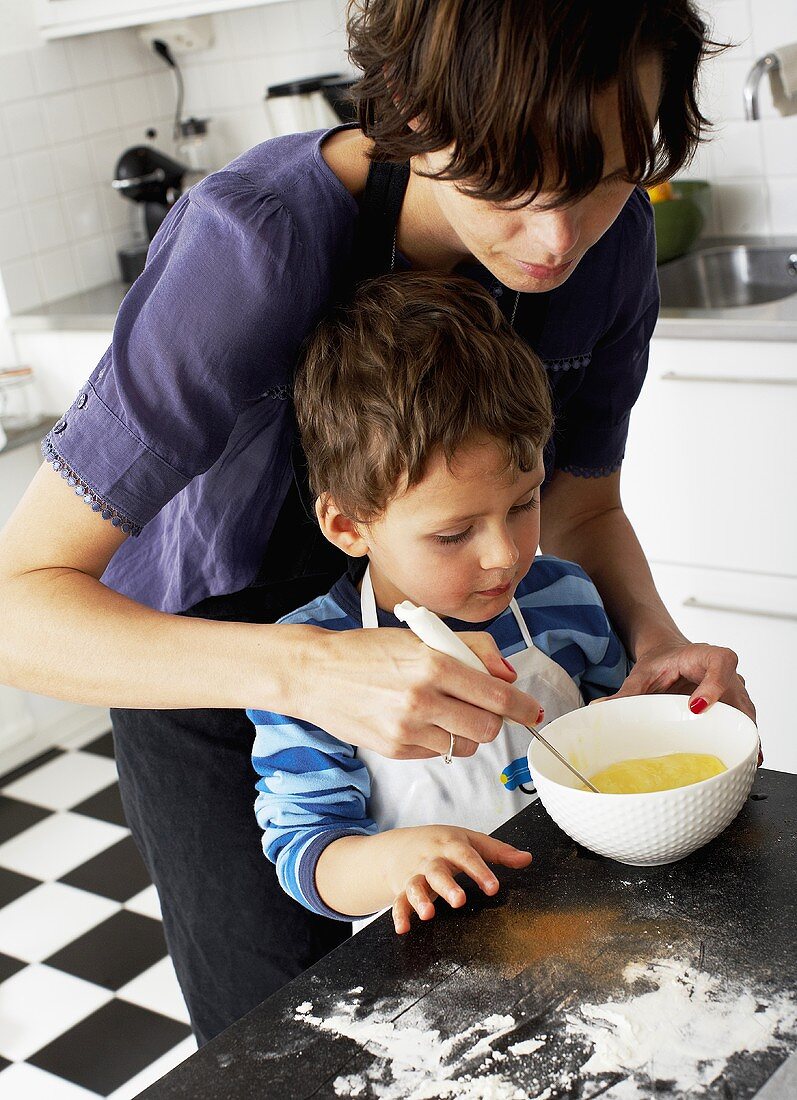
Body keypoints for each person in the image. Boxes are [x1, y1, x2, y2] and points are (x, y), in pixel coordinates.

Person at [0, 0, 754, 1043]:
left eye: (602, 178)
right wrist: (311, 669)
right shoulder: (251, 243)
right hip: (214, 671)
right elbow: (17, 609)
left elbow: (582, 500)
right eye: (508, 184)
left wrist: (656, 642)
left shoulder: (609, 246)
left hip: (425, 686)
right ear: (410, 107)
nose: (555, 241)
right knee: (292, 1037)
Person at [249, 272, 629, 933]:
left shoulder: (565, 598)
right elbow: (303, 852)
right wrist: (393, 861)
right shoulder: (313, 662)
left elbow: (624, 739)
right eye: (453, 533)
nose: (505, 555)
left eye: (523, 504)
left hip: (593, 912)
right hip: (434, 963)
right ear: (346, 526)